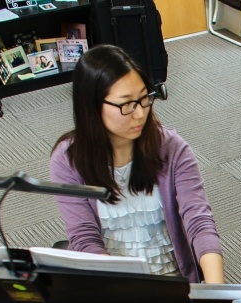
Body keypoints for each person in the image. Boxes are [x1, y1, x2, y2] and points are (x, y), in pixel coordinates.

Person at [50, 45, 225, 283]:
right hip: (111, 284)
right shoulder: (68, 159)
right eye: (127, 104)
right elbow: (84, 239)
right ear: (92, 106)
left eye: (144, 99)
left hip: (173, 279)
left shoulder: (171, 147)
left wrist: (217, 294)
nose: (140, 113)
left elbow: (199, 221)